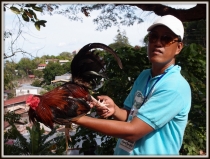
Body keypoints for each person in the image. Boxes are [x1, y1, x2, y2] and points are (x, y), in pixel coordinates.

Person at [72, 15, 192, 155]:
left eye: (166, 38)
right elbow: (130, 116)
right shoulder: (144, 76)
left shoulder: (174, 87)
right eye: (153, 37)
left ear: (178, 47)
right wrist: (115, 110)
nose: (158, 43)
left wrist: (76, 118)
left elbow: (133, 131)